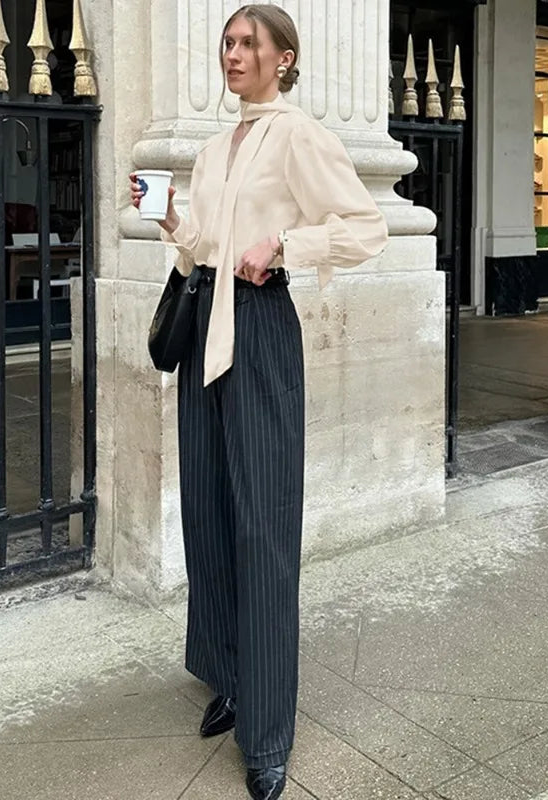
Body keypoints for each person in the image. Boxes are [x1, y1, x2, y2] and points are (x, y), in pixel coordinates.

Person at [130, 5, 388, 798]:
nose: (233, 54)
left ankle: (269, 730)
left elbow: (365, 225)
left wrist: (284, 245)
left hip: (263, 331)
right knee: (208, 512)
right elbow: (204, 242)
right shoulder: (214, 148)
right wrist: (171, 218)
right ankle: (230, 678)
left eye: (249, 44)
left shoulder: (300, 136)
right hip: (206, 318)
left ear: (284, 57)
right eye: (229, 42)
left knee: (265, 526)